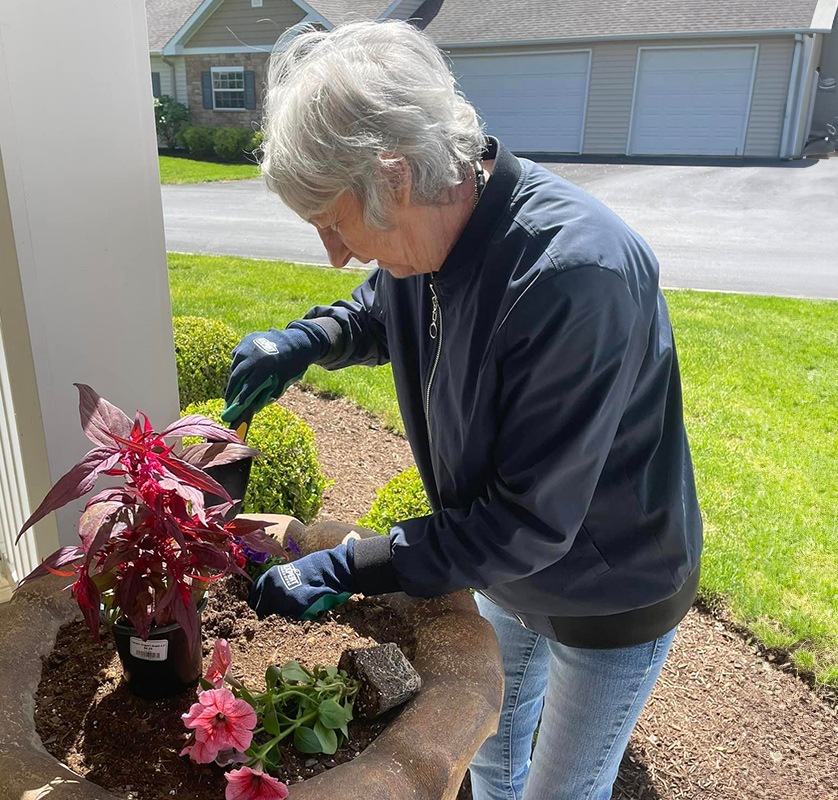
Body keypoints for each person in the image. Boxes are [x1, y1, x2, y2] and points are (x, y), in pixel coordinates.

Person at [225, 20, 702, 800]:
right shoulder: (426, 228)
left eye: (333, 222)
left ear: (396, 177)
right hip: (499, 564)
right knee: (490, 754)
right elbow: (383, 307)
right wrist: (308, 339)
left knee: (562, 791)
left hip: (612, 588)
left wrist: (353, 564)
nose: (335, 253)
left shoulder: (573, 278)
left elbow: (530, 524)